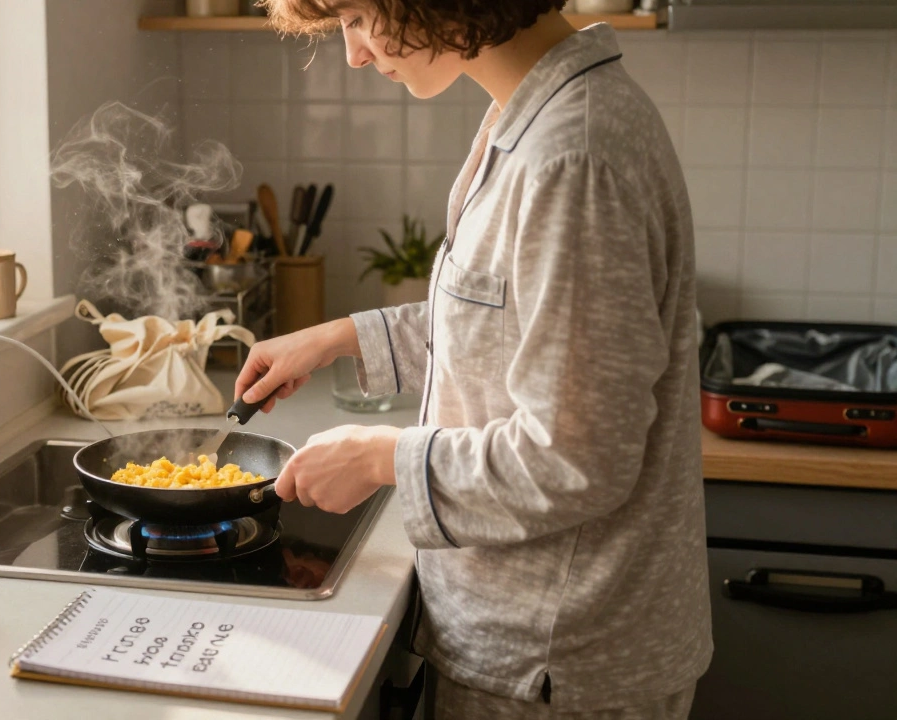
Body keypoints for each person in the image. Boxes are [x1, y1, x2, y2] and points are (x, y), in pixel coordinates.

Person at [237, 1, 712, 718]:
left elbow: (575, 458)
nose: (356, 55)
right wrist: (342, 337)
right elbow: (509, 323)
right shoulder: (531, 114)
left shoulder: (572, 154)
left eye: (357, 16)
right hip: (531, 649)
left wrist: (380, 458)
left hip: (559, 667)